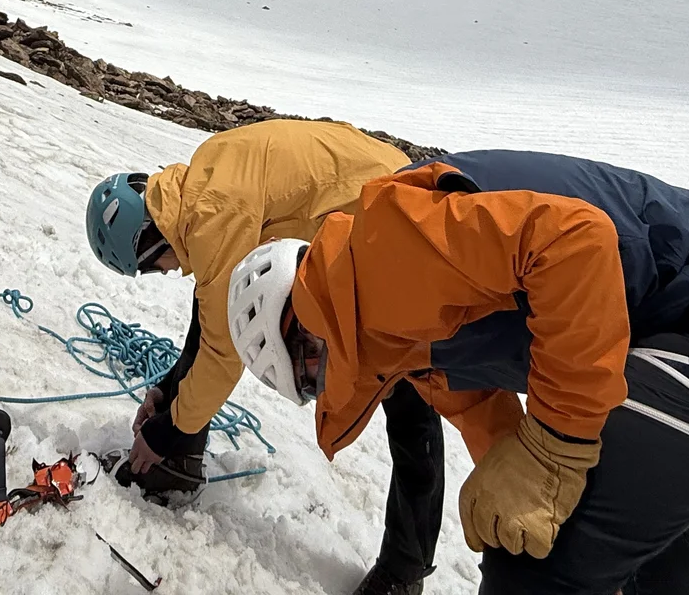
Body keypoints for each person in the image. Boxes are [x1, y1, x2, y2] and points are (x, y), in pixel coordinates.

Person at [227, 150, 689, 595]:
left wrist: (556, 446)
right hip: (680, 332)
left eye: (307, 362)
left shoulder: (379, 257)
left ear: (300, 316)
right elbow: (486, 421)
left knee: (534, 571)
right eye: (309, 384)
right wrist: (535, 485)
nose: (322, 379)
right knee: (639, 571)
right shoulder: (401, 346)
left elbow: (576, 240)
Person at [86, 119, 444, 593]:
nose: (163, 274)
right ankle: (179, 464)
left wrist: (163, 430)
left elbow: (222, 354)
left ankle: (405, 570)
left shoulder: (213, 212)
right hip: (378, 193)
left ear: (149, 243)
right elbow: (214, 311)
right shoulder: (197, 191)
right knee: (401, 384)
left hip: (397, 219)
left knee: (409, 390)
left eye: (151, 268)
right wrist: (168, 390)